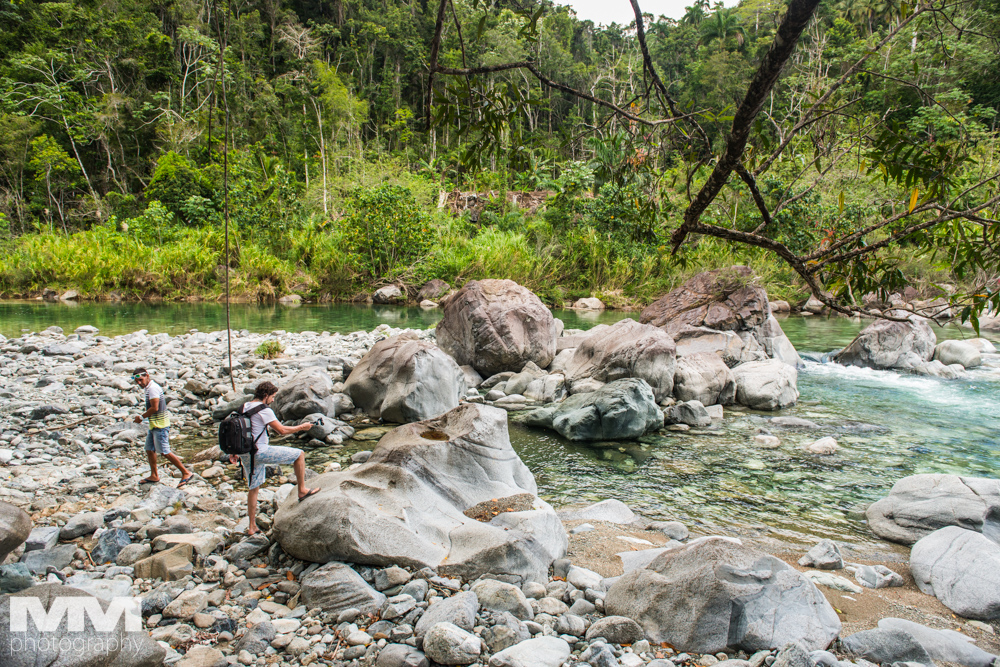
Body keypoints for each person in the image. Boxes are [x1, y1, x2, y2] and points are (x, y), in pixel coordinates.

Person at [229, 381, 319, 536]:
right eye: (272, 397)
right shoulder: (264, 410)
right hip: (260, 451)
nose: (272, 400)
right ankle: (302, 490)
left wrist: (234, 450)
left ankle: (252, 526)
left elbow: (238, 428)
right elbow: (282, 430)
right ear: (265, 395)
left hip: (246, 452)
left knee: (253, 488)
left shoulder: (244, 406)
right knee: (299, 455)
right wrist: (302, 427)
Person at [132, 368, 194, 487]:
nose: (139, 383)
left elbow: (155, 408)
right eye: (137, 381)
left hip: (160, 425)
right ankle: (154, 475)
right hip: (154, 424)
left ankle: (186, 472)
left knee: (165, 452)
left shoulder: (153, 389)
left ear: (147, 376)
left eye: (141, 380)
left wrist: (141, 417)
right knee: (149, 449)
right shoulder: (148, 388)